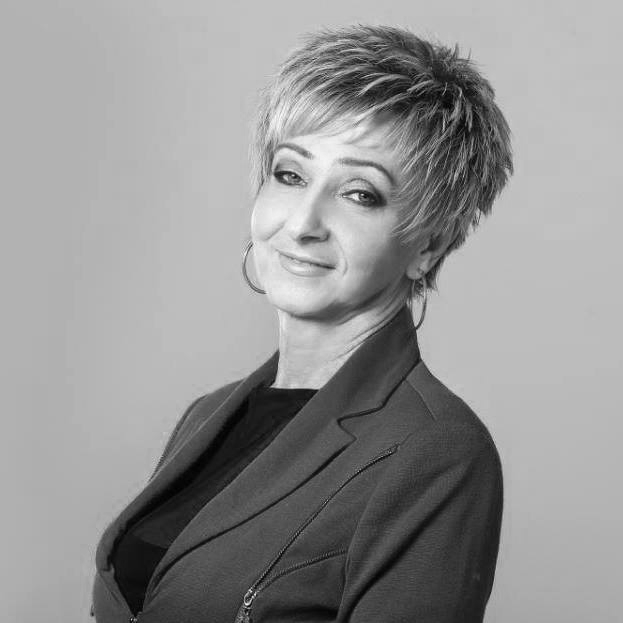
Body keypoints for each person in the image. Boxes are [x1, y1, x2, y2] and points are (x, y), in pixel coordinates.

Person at [91, 24, 513, 623]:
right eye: (290, 175)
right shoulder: (206, 416)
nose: (302, 223)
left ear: (429, 245)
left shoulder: (436, 452)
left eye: (360, 193)